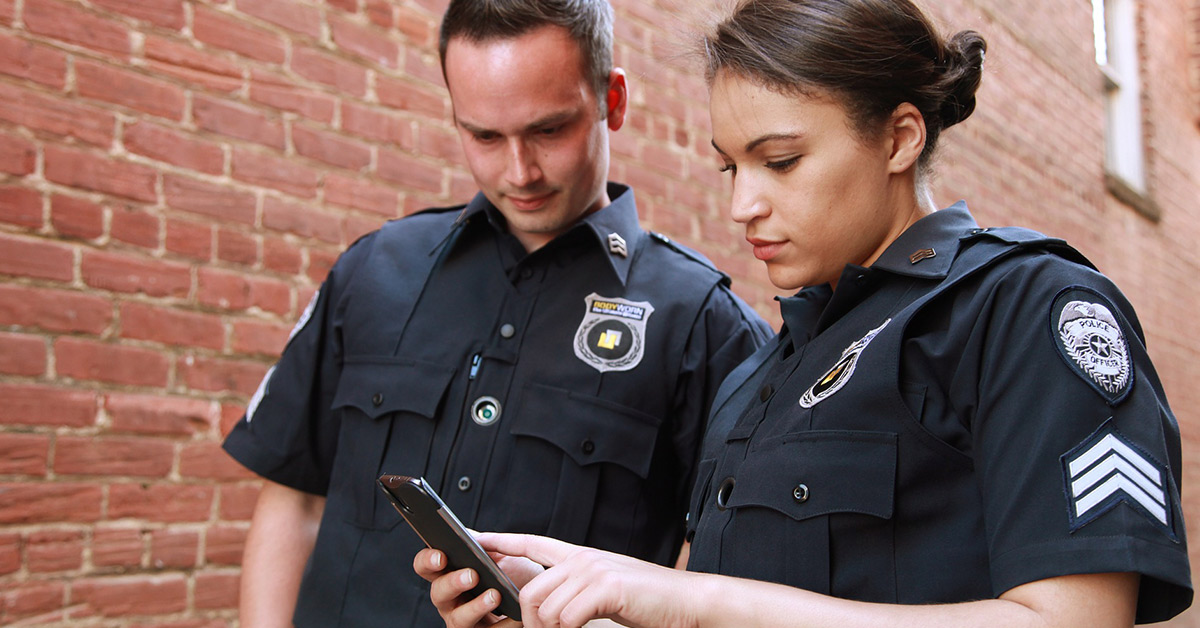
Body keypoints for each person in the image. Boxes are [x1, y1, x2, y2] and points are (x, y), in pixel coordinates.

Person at [415, 0, 1194, 626]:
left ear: (899, 136)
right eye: (730, 166)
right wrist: (579, 605)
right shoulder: (762, 371)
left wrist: (691, 602)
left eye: (780, 161)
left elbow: (1076, 618)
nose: (741, 205)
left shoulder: (1023, 308)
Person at [221, 0, 773, 625]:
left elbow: (714, 573)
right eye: (484, 135)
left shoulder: (706, 325)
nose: (520, 171)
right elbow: (294, 503)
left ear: (612, 101)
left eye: (548, 130)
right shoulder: (373, 270)